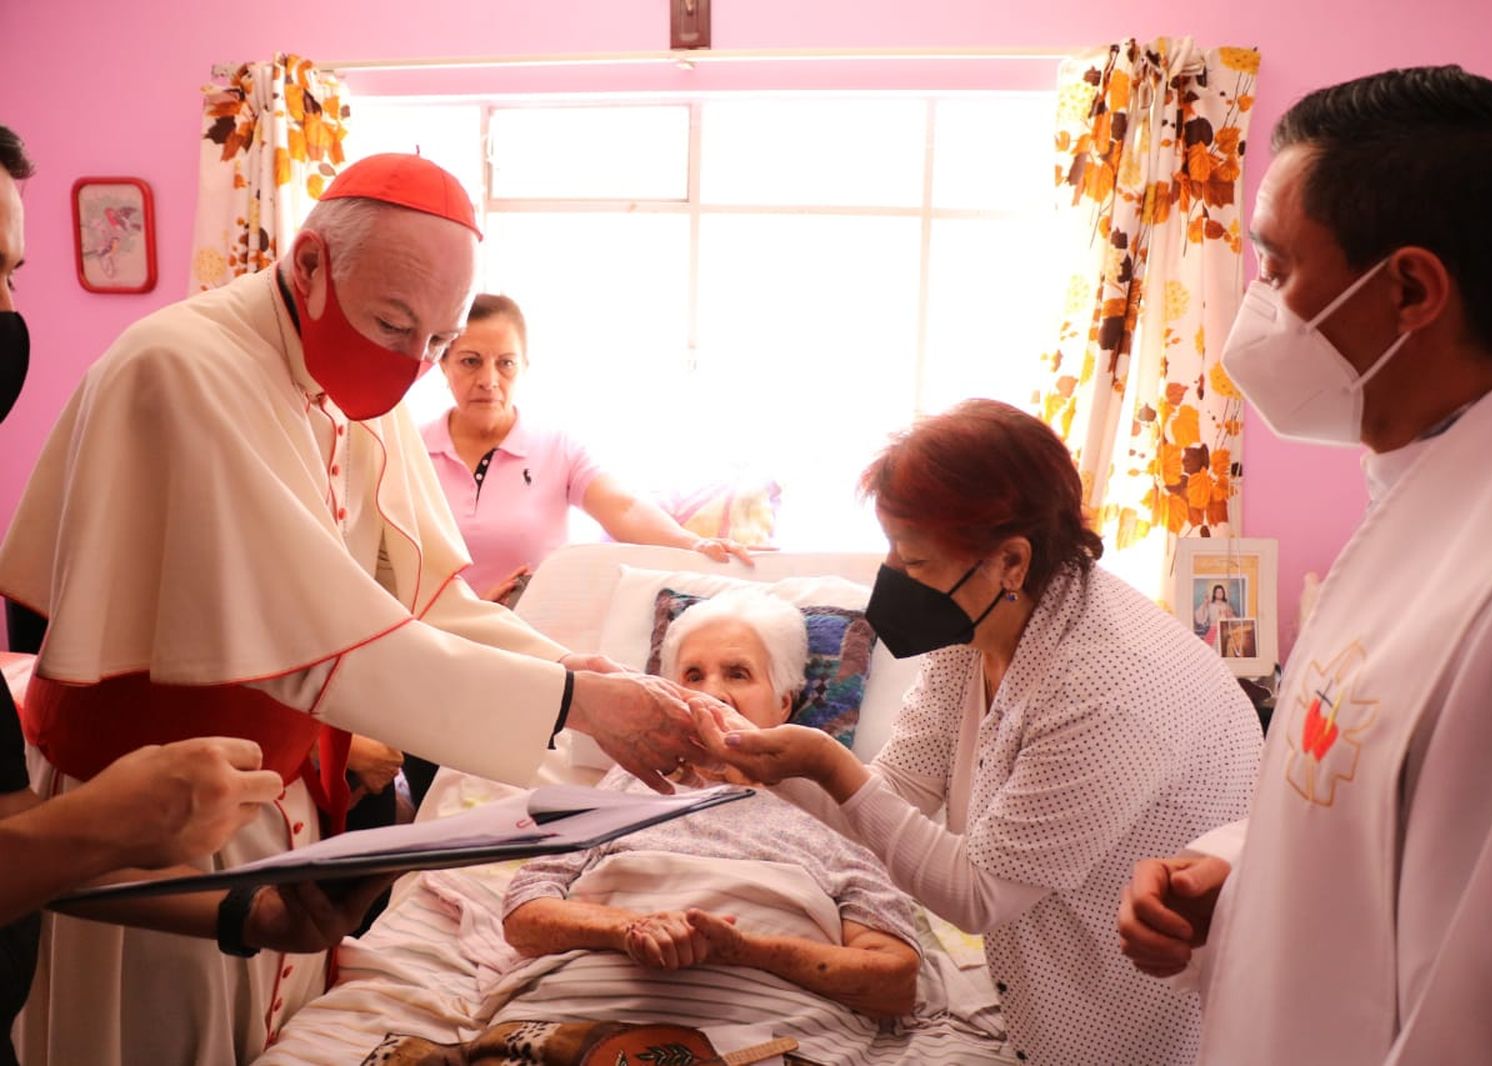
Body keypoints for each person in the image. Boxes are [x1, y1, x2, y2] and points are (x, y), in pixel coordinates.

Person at [0, 152, 718, 1065]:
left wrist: (569, 673)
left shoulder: (363, 369)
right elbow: (329, 632)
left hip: (276, 806)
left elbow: (418, 593)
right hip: (147, 816)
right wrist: (574, 708)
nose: (414, 366)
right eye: (394, 325)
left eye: (435, 339)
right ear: (309, 266)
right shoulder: (184, 364)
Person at [1115, 66, 1492, 1064]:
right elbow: (1400, 812)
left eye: (1278, 265)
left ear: (1409, 289)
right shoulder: (1426, 494)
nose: (1256, 308)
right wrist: (1231, 872)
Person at [694, 399, 1264, 1065]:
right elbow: (892, 801)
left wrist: (823, 762)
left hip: (1132, 1026)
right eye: (892, 550)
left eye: (915, 558)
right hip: (1027, 1002)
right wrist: (769, 767)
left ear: (1011, 562)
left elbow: (978, 894)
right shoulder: (975, 629)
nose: (896, 578)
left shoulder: (1107, 683)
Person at [257, 589, 944, 1066]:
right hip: (569, 1014)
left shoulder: (838, 812)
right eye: (691, 675)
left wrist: (740, 947)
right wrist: (625, 930)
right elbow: (524, 917)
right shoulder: (608, 796)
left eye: (738, 674)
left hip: (768, 1022)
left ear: (784, 702)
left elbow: (892, 981)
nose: (710, 693)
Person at [423, 293, 753, 606]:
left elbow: (624, 508)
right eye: (470, 362)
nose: (489, 380)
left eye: (505, 363)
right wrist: (468, 614)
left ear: (524, 365)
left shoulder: (557, 448)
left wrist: (691, 543)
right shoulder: (412, 450)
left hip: (533, 639)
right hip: (438, 638)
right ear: (443, 363)